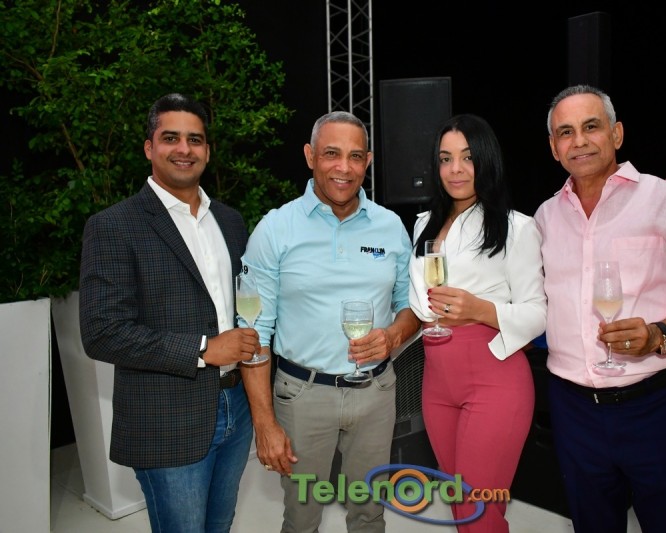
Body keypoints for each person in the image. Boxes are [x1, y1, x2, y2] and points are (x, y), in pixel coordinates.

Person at [533, 84, 666, 533]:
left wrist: (660, 334)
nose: (579, 141)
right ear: (553, 148)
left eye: (591, 126)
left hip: (658, 409)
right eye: (565, 132)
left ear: (617, 134)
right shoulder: (545, 219)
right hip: (573, 413)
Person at [79, 93, 261, 532]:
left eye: (195, 139)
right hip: (167, 419)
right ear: (149, 147)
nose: (184, 149)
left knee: (220, 525)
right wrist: (203, 349)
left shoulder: (231, 222)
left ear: (207, 151)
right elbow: (102, 332)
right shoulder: (114, 225)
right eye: (171, 138)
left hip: (235, 406)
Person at [239, 110, 420, 532]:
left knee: (369, 514)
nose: (344, 167)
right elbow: (253, 331)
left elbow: (411, 306)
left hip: (376, 393)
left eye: (355, 156)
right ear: (310, 156)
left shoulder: (390, 227)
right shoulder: (274, 229)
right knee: (302, 518)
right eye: (331, 154)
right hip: (302, 396)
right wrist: (264, 423)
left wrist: (393, 335)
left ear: (368, 161)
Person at [408, 114, 547, 532]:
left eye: (467, 157)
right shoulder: (423, 225)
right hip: (436, 382)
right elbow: (418, 304)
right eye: (445, 158)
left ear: (486, 160)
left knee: (479, 514)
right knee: (460, 509)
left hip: (495, 380)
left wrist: (478, 310)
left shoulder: (516, 227)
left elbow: (538, 313)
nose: (455, 169)